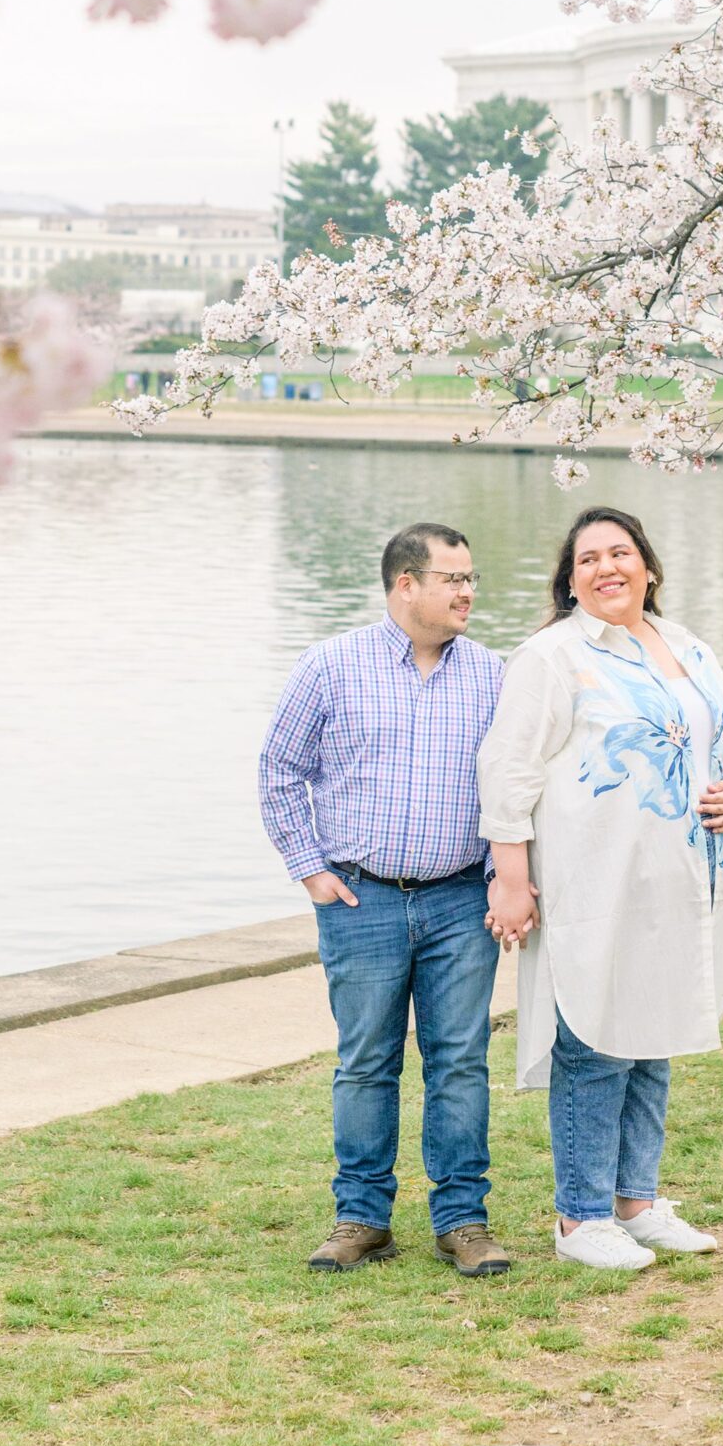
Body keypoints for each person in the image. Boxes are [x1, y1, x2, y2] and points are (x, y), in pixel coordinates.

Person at [480, 506, 723, 1274]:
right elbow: (507, 769)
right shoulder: (551, 657)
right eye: (587, 560)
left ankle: (636, 1203)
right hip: (595, 881)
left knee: (654, 1037)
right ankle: (580, 1217)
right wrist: (512, 878)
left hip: (686, 884)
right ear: (569, 582)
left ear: (647, 566)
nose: (606, 567)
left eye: (619, 552)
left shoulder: (686, 646)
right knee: (595, 1041)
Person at [258, 521, 510, 1279]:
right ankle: (362, 1218)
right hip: (359, 900)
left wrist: (507, 875)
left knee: (459, 1062)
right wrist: (311, 869)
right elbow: (278, 770)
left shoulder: (496, 676)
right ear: (406, 584)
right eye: (452, 579)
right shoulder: (329, 667)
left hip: (461, 901)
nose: (468, 592)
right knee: (365, 1063)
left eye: (470, 578)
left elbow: (518, 787)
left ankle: (462, 1221)